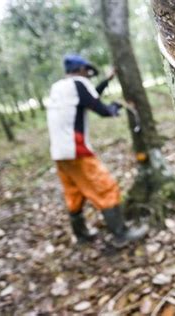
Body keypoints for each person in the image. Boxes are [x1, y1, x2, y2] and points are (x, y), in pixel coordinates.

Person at [46, 54, 146, 247]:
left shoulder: (60, 86)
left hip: (59, 152)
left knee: (74, 192)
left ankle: (81, 234)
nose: (89, 75)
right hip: (76, 149)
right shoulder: (79, 83)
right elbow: (101, 109)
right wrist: (114, 108)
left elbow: (90, 99)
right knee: (105, 187)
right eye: (87, 71)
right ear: (81, 69)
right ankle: (121, 234)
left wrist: (107, 80)